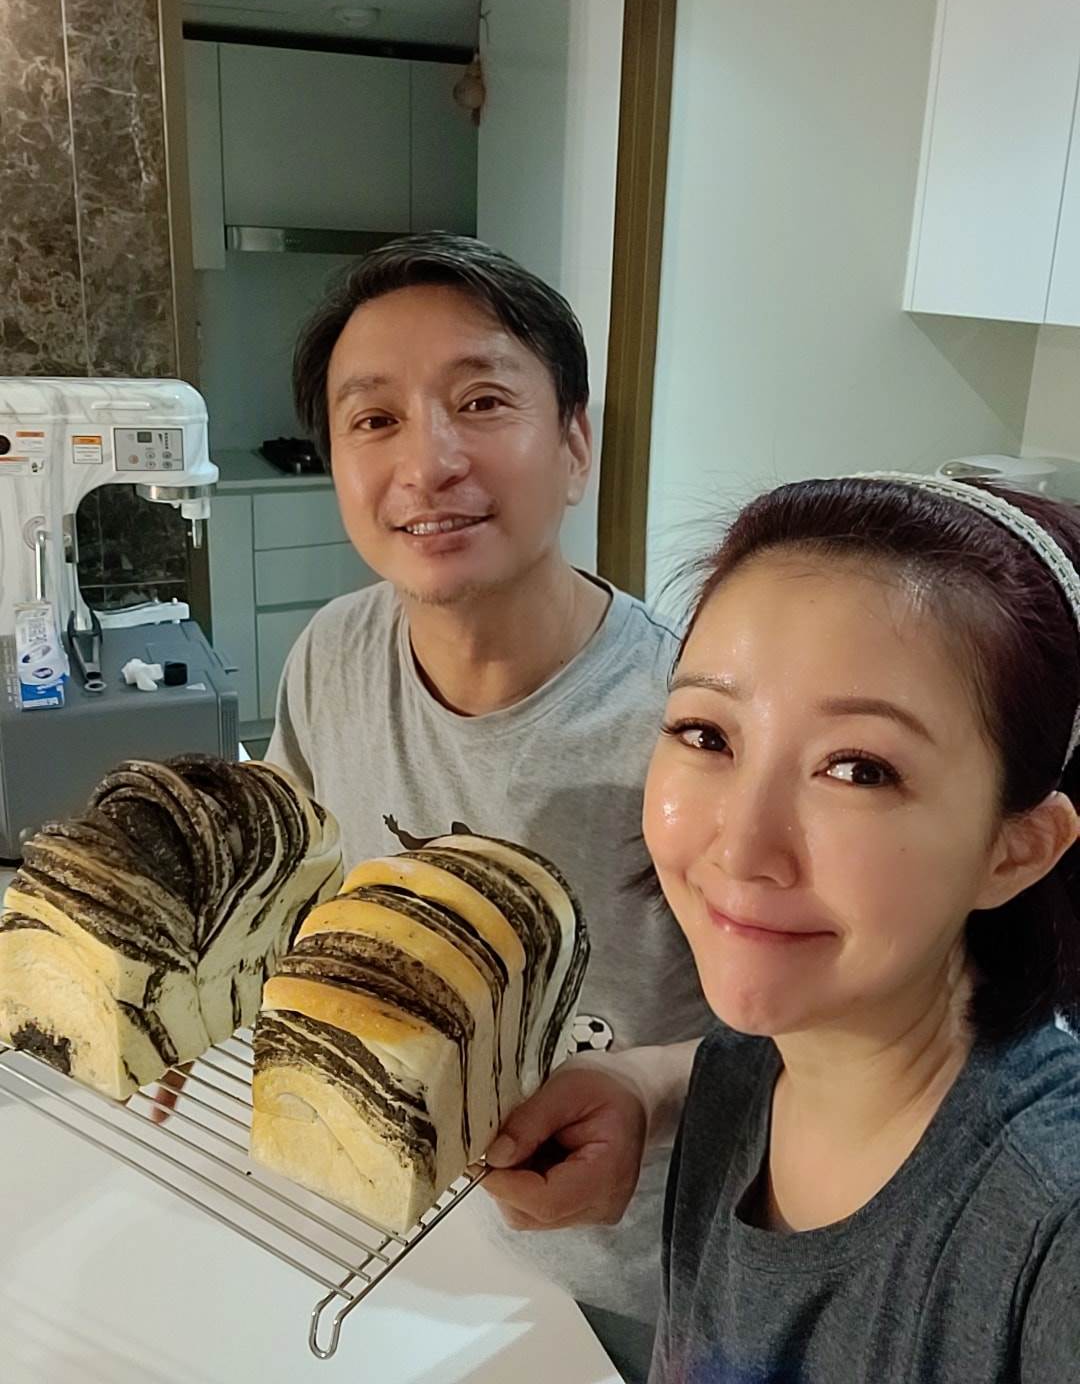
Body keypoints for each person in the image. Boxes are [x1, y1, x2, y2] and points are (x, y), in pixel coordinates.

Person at [488, 472, 1080, 1381]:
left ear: (1015, 850)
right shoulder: (757, 1070)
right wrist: (641, 1083)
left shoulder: (1049, 1230)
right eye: (707, 735)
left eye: (860, 769)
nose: (742, 848)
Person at [262, 232, 712, 1380]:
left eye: (481, 402)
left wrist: (649, 1093)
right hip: (395, 1236)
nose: (428, 463)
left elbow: (831, 1045)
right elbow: (292, 897)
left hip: (629, 1287)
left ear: (575, 445)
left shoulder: (693, 723)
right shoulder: (333, 655)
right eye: (375, 419)